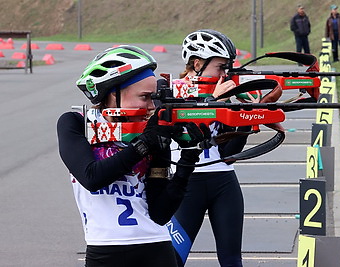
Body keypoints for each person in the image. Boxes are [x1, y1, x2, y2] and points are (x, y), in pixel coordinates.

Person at [57, 45, 209, 267]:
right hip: (104, 251)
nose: (151, 107)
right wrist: (145, 144)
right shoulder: (76, 123)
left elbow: (160, 213)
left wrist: (188, 158)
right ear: (113, 92)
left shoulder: (151, 131)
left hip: (156, 246)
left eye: (154, 98)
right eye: (145, 97)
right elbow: (91, 178)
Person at [165, 29, 284, 267]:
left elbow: (228, 155)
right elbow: (186, 134)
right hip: (186, 185)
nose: (225, 74)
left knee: (232, 261)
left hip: (224, 183)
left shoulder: (224, 94)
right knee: (173, 261)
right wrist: (215, 101)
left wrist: (247, 118)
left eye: (228, 67)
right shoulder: (170, 91)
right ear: (197, 63)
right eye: (220, 67)